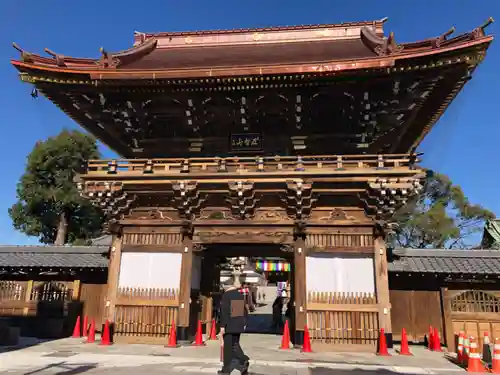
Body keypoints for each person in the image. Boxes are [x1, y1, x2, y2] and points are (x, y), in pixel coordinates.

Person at [218, 280, 250, 375]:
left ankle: (226, 369)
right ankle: (242, 364)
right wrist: (243, 322)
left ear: (226, 287)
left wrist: (222, 326)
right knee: (235, 345)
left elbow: (225, 312)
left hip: (229, 325)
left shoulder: (226, 296)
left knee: (228, 348)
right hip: (238, 324)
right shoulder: (239, 295)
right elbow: (243, 311)